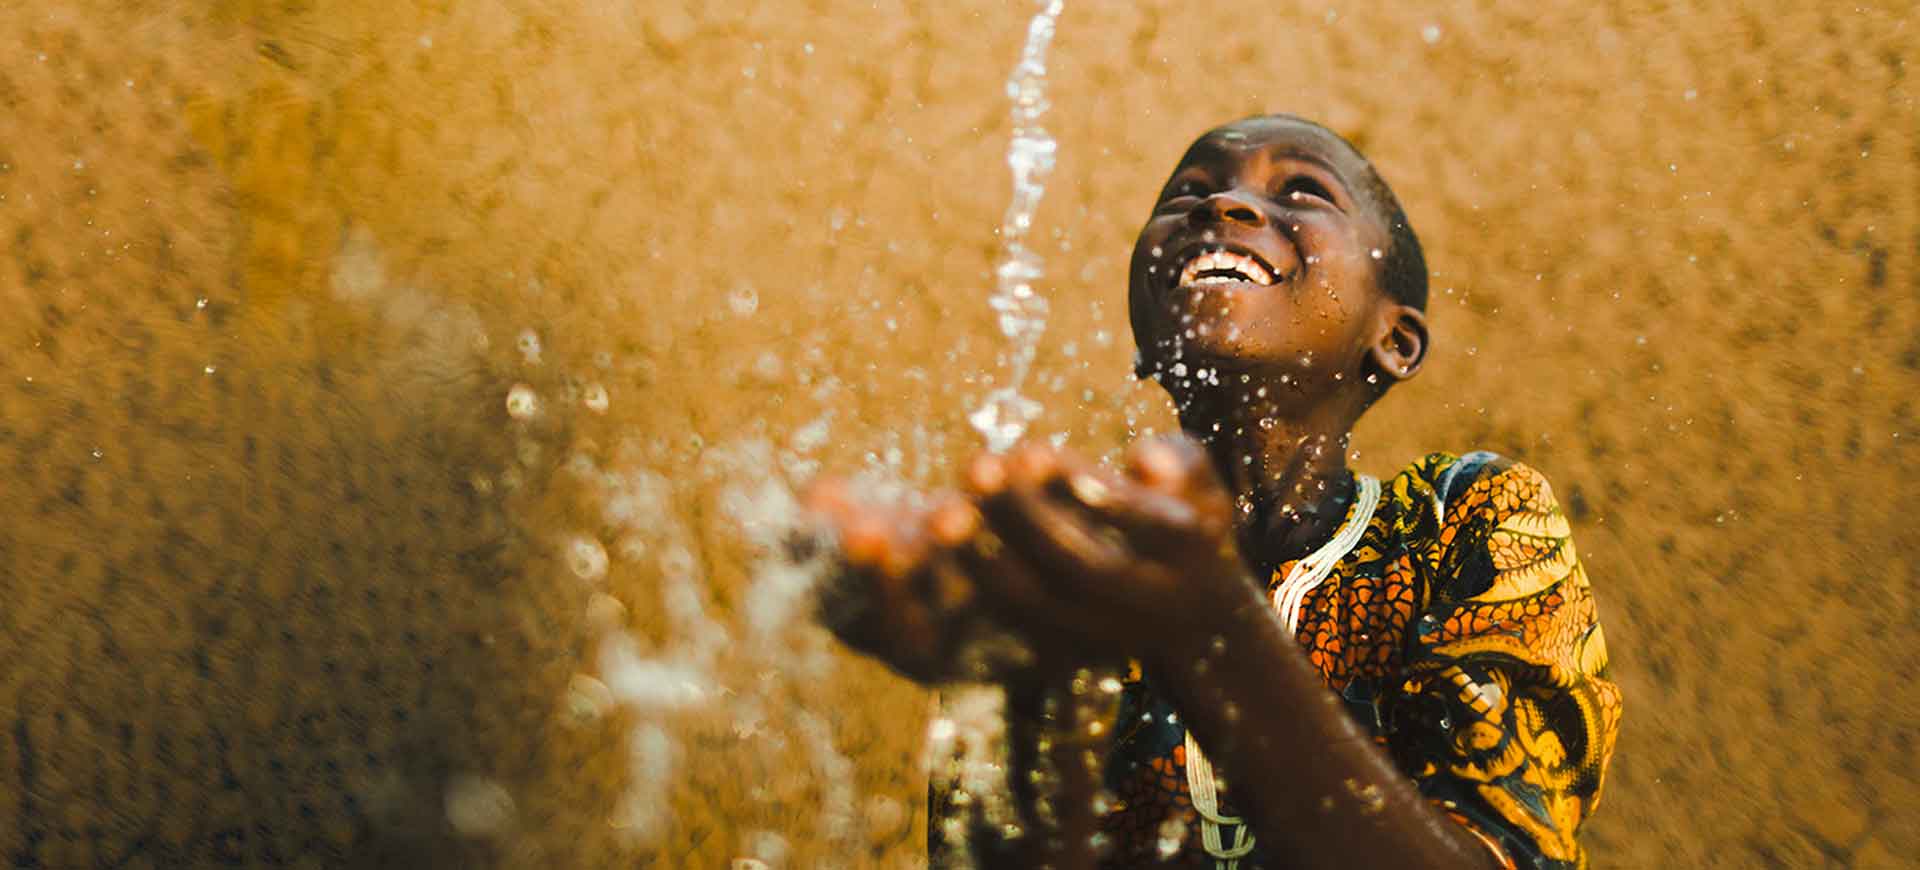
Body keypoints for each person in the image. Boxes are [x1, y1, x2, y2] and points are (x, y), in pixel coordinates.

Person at [805, 114, 1621, 870]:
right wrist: (1026, 685)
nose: (1223, 205)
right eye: (1189, 193)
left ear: (1394, 340)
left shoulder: (1464, 522)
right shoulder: (1064, 564)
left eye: (1304, 191)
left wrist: (1206, 630)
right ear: (1143, 336)